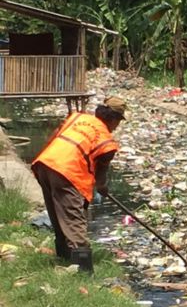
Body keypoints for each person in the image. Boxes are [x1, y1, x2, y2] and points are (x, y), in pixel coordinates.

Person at [31, 96, 127, 273]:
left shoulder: (77, 118)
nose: (117, 126)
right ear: (114, 119)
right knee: (74, 220)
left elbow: (56, 138)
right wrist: (102, 187)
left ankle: (64, 258)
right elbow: (100, 177)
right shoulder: (107, 141)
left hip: (45, 164)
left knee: (58, 214)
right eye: (118, 121)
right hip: (67, 172)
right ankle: (84, 272)